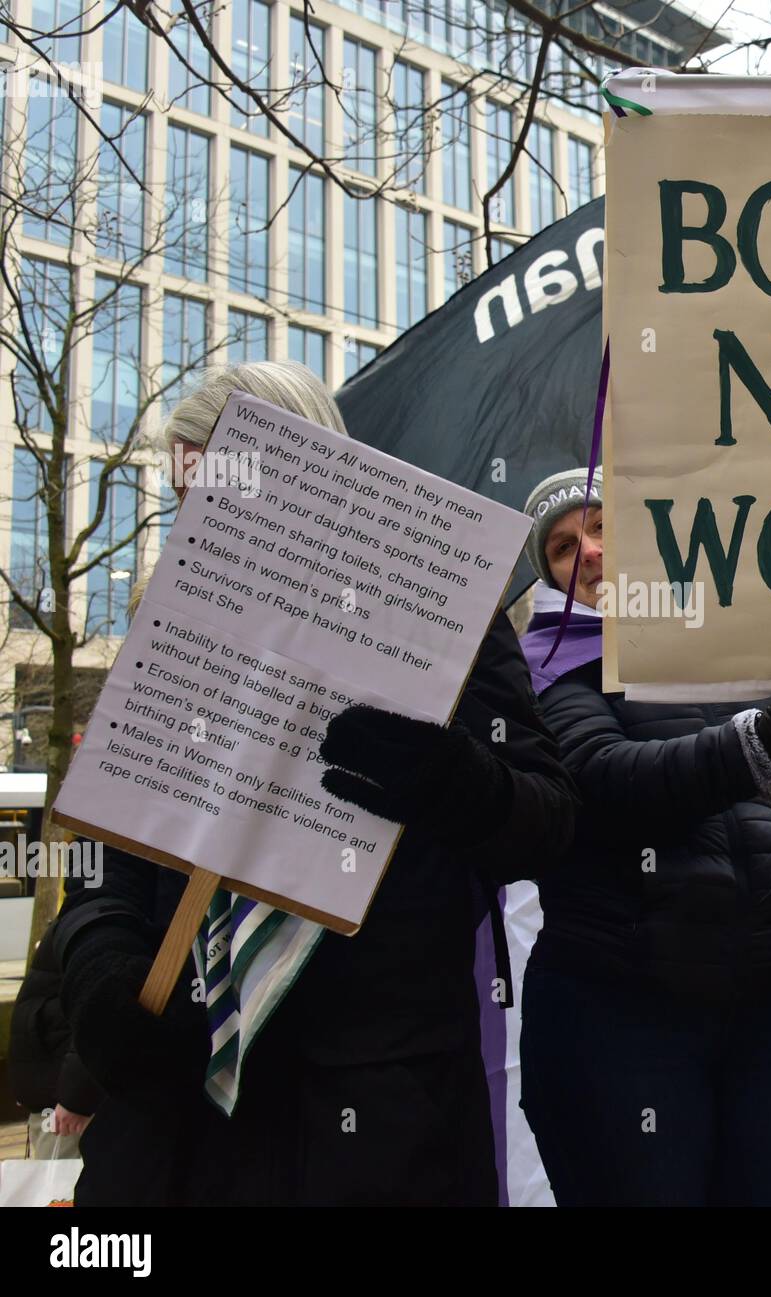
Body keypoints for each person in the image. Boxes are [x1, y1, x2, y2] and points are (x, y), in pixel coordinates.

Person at [56, 362, 578, 1206]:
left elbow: (549, 822)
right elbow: (107, 854)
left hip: (381, 1120)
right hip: (177, 1125)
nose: (202, 524)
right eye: (187, 500)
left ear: (315, 476)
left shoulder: (439, 613)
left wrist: (452, 779)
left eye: (223, 492)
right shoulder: (172, 635)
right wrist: (99, 966)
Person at [515, 467, 771, 1207]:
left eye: (604, 526)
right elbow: (606, 778)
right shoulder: (548, 670)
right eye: (563, 547)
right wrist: (768, 741)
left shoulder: (736, 644)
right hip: (624, 1017)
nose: (589, 552)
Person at [9, 909, 103, 1160]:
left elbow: (98, 1010)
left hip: (68, 1102)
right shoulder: (92, 915)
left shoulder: (96, 916)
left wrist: (76, 1096)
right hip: (59, 1098)